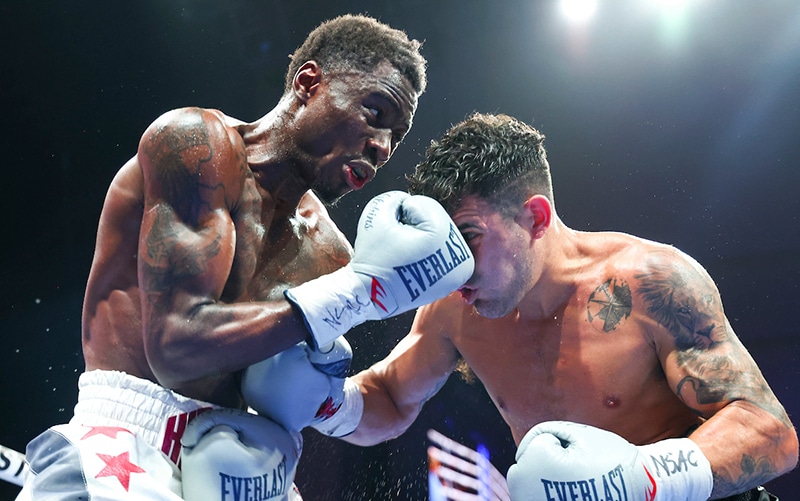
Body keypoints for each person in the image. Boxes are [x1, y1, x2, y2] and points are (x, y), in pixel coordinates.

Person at [16, 14, 475, 501]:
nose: (382, 147)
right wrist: (361, 292)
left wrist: (326, 405)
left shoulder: (333, 255)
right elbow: (175, 347)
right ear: (309, 84)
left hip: (244, 468)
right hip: (128, 445)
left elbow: (314, 396)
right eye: (374, 113)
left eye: (395, 137)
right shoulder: (196, 146)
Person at [323, 113, 798, 500]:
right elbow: (388, 397)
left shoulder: (649, 281)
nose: (457, 270)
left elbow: (770, 433)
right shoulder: (453, 310)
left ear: (535, 217)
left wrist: (643, 479)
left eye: (469, 238)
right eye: (447, 247)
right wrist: (325, 404)